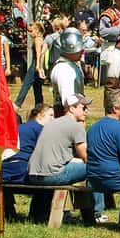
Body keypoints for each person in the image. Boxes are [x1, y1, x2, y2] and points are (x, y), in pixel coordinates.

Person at [27, 93, 93, 223]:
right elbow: (85, 156)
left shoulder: (53, 123)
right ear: (72, 108)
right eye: (83, 108)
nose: (86, 111)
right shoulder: (75, 126)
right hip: (53, 175)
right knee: (94, 168)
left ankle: (37, 215)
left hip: (33, 173)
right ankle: (92, 214)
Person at [86, 89, 120, 225]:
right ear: (115, 108)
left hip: (94, 179)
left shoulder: (93, 128)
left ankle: (91, 216)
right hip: (115, 180)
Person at [1, 103, 53, 184]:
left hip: (5, 170)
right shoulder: (41, 130)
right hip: (23, 169)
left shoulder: (20, 127)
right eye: (51, 115)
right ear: (40, 115)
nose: (53, 119)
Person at [49, 27, 85, 117]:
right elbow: (68, 102)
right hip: (67, 116)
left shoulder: (70, 65)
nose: (82, 51)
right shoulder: (64, 69)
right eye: (79, 50)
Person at [14, 21, 46, 110]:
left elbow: (39, 53)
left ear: (37, 30)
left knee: (26, 84)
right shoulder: (42, 39)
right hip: (38, 64)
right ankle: (39, 105)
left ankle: (17, 103)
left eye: (31, 31)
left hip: (35, 64)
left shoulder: (37, 39)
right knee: (37, 87)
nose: (29, 33)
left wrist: (38, 66)